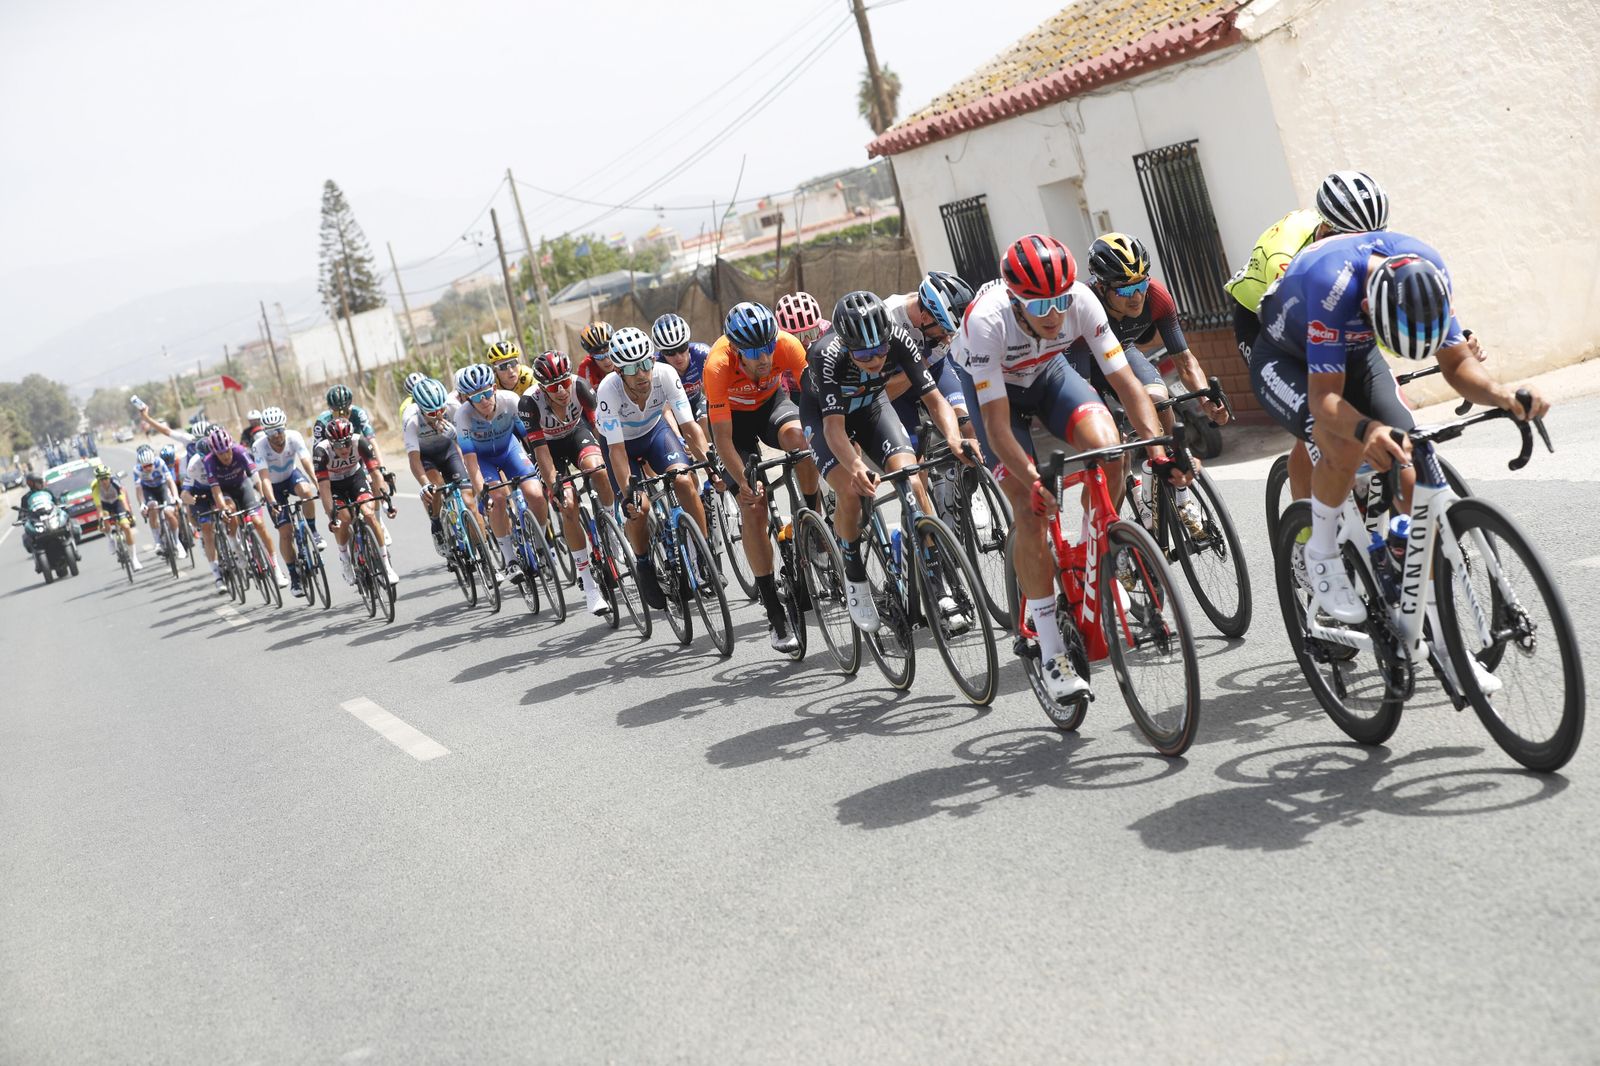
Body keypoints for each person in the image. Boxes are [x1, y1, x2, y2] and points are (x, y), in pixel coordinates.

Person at [1251, 232, 1547, 632]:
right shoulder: (1331, 285)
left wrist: (1502, 393)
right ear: (1372, 310)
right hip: (1286, 358)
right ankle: (1321, 549)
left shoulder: (1427, 274)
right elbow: (1324, 401)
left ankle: (1438, 639)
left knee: (1410, 464)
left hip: (1355, 350)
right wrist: (1366, 429)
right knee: (1342, 445)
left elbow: (1458, 364)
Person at [951, 233, 1186, 704]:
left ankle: (1095, 543)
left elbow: (1126, 382)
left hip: (1048, 374)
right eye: (1041, 308)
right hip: (997, 400)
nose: (1055, 314)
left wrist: (1157, 450)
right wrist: (1035, 480)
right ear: (1016, 302)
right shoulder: (986, 323)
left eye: (1060, 301)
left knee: (1113, 450)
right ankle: (1050, 645)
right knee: (1029, 507)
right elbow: (996, 427)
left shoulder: (1080, 301)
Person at [800, 291, 976, 634]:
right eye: (864, 354)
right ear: (847, 344)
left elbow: (935, 400)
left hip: (871, 408)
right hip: (824, 417)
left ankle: (938, 590)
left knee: (911, 481)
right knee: (851, 493)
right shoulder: (826, 355)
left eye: (880, 350)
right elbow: (834, 430)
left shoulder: (895, 338)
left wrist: (954, 438)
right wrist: (855, 467)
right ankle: (855, 580)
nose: (876, 359)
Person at [1226, 171, 1389, 503]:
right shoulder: (1286, 254)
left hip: (1318, 309)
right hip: (1264, 316)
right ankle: (1305, 531)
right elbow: (1306, 326)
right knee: (1314, 419)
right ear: (1326, 232)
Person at [1076, 232, 1230, 534]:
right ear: (1101, 286)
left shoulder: (1157, 297)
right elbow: (1078, 385)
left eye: (1141, 283)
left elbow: (1186, 361)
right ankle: (1108, 536)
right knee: (1114, 456)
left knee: (1159, 399)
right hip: (1084, 365)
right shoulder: (1084, 306)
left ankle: (1180, 486)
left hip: (1121, 353)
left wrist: (1205, 400)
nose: (1137, 296)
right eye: (1125, 289)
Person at [704, 301, 823, 653]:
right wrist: (744, 482)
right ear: (737, 350)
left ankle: (811, 522)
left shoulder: (786, 344)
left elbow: (817, 400)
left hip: (772, 405)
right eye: (755, 352)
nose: (765, 358)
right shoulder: (717, 365)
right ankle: (773, 609)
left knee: (802, 440)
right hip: (734, 427)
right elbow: (722, 439)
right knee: (753, 507)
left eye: (768, 347)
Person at [594, 327, 713, 610]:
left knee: (685, 482)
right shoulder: (608, 390)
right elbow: (616, 450)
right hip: (621, 445)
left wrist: (711, 465)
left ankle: (704, 555)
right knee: (640, 508)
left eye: (646, 363)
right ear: (620, 371)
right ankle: (644, 563)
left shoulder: (665, 374)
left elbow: (689, 427)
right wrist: (627, 492)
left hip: (654, 433)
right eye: (633, 368)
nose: (642, 374)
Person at [521, 351, 610, 616]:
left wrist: (611, 461)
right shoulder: (529, 403)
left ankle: (611, 523)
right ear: (541, 387)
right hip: (547, 449)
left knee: (599, 470)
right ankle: (588, 583)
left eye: (564, 382)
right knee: (568, 505)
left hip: (576, 435)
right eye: (552, 386)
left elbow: (597, 428)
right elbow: (540, 452)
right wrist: (554, 485)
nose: (561, 390)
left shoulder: (580, 387)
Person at [452, 362, 550, 583]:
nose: (484, 400)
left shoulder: (510, 401)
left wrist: (541, 470)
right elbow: (471, 461)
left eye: (487, 393)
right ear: (467, 399)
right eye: (476, 397)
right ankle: (510, 559)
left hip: (510, 450)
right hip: (483, 460)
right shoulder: (463, 416)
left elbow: (529, 440)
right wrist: (481, 492)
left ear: (494, 388)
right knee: (497, 498)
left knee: (535, 494)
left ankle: (541, 541)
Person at [314, 417, 398, 585]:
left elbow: (375, 474)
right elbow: (324, 489)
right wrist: (332, 518)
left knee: (369, 513)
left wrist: (386, 502)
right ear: (330, 443)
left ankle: (386, 566)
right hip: (334, 485)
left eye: (346, 443)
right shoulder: (321, 452)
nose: (344, 448)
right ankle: (345, 558)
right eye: (338, 445)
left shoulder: (359, 441)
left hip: (355, 478)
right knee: (344, 518)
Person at [205, 425, 288, 588]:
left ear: (231, 446)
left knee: (258, 523)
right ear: (214, 453)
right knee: (230, 511)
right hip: (225, 492)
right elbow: (216, 492)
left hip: (243, 486)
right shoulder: (209, 462)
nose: (226, 456)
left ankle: (276, 568)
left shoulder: (239, 451)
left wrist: (263, 494)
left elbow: (255, 477)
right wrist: (223, 509)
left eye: (227, 451)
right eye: (221, 453)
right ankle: (235, 545)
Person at [253, 406, 322, 595]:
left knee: (306, 491)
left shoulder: (294, 436)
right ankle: (294, 577)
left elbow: (306, 462)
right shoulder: (259, 446)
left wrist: (318, 484)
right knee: (285, 532)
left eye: (279, 429)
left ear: (285, 426)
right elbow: (264, 478)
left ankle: (313, 531)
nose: (277, 435)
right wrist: (272, 501)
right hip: (273, 487)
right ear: (265, 432)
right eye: (271, 431)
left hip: (291, 476)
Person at [402, 378, 473, 560]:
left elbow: (471, 441)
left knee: (468, 497)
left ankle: (480, 551)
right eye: (432, 413)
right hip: (426, 457)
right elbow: (413, 458)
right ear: (420, 408)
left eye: (441, 410)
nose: (439, 415)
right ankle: (436, 524)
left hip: (448, 450)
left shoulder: (453, 406)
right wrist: (425, 484)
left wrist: (457, 436)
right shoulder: (411, 418)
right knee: (436, 486)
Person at [651, 314, 711, 429]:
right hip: (669, 411)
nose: (678, 357)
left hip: (696, 401)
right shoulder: (655, 367)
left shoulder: (702, 354)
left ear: (688, 344)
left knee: (706, 423)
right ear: (662, 353)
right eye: (670, 352)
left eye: (682, 348)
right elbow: (664, 410)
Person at [132, 444, 185, 559]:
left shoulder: (160, 463)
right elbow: (139, 489)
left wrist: (175, 496)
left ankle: (177, 543)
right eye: (145, 466)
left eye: (150, 465)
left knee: (168, 511)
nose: (148, 468)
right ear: (141, 465)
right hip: (148, 490)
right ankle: (158, 542)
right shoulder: (137, 470)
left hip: (162, 487)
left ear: (153, 461)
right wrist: (141, 504)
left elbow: (170, 481)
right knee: (152, 506)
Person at [91, 462, 141, 570]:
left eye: (105, 478)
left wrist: (128, 512)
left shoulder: (116, 483)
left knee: (126, 527)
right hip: (105, 505)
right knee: (104, 517)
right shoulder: (95, 488)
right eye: (101, 479)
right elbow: (99, 508)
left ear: (109, 477)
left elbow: (123, 500)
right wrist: (101, 519)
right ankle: (110, 538)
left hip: (117, 503)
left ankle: (134, 559)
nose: (104, 481)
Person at [576, 321, 617, 391]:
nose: (606, 361)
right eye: (599, 356)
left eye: (608, 352)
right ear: (591, 355)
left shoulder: (623, 354)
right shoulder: (585, 368)